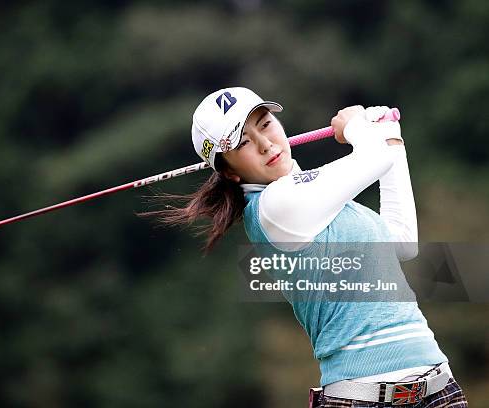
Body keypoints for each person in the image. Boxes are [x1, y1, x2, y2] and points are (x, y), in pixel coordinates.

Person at [147, 87, 468, 407]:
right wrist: (356, 125)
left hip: (439, 391)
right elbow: (377, 155)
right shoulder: (273, 207)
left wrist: (392, 137)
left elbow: (402, 241)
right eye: (243, 142)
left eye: (265, 124)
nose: (265, 144)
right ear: (229, 170)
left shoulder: (326, 199)